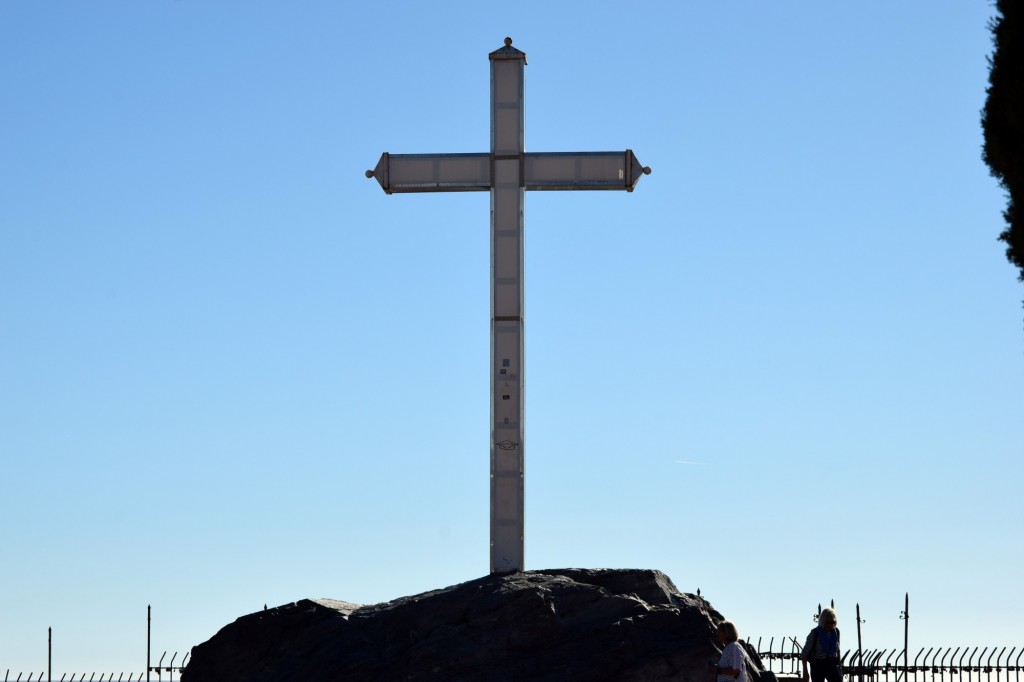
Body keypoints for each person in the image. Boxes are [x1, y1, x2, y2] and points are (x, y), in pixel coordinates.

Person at [801, 607, 842, 682]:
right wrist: (805, 672)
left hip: (832, 664)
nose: (830, 625)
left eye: (832, 623)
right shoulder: (815, 633)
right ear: (823, 621)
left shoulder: (835, 633)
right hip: (818, 665)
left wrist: (839, 666)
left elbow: (838, 651)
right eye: (828, 623)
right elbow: (804, 654)